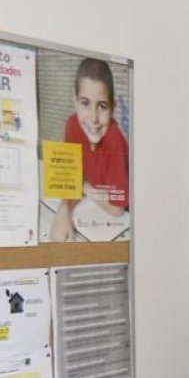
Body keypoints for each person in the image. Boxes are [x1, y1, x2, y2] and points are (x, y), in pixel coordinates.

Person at [48, 58, 128, 242]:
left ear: (113, 108)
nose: (93, 118)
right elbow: (69, 179)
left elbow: (117, 209)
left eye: (102, 106)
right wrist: (63, 212)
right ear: (74, 100)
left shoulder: (115, 139)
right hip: (92, 202)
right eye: (85, 103)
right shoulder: (72, 125)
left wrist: (83, 185)